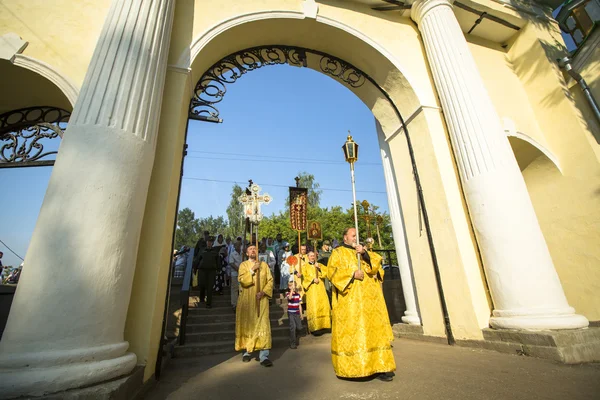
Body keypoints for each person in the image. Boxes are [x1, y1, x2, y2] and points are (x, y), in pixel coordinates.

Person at [327, 227, 396, 382]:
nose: (355, 238)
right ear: (345, 238)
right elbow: (331, 273)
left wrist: (364, 254)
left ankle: (381, 366)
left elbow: (376, 268)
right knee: (355, 334)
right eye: (353, 235)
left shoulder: (363, 252)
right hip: (350, 306)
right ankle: (356, 368)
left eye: (357, 236)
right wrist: (351, 274)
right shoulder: (337, 253)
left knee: (375, 334)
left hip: (370, 304)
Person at [235, 244, 273, 367]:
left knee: (263, 325)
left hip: (261, 300)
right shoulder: (243, 265)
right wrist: (252, 270)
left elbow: (270, 280)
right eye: (250, 249)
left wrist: (263, 292)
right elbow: (242, 280)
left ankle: (264, 355)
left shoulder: (264, 265)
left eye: (254, 249)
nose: (253, 250)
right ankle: (247, 351)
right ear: (246, 253)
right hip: (247, 300)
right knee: (248, 324)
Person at [302, 251, 331, 335]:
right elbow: (304, 277)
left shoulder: (319, 265)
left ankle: (325, 325)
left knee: (323, 305)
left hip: (321, 288)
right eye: (310, 256)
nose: (312, 257)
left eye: (313, 256)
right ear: (308, 257)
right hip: (312, 289)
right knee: (314, 306)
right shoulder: (305, 266)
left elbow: (326, 273)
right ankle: (315, 328)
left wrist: (319, 268)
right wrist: (312, 279)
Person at [197, 236, 221, 308]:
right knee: (202, 284)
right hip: (202, 270)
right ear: (206, 242)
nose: (209, 243)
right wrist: (194, 268)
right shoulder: (202, 250)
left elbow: (218, 261)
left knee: (210, 286)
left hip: (212, 271)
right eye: (208, 242)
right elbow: (198, 259)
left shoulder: (215, 251)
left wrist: (218, 269)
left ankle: (208, 303)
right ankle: (201, 298)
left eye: (211, 242)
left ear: (212, 243)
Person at [286, 277, 304, 349]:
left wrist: (301, 314)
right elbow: (289, 298)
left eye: (294, 286)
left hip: (297, 312)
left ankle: (295, 335)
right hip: (291, 313)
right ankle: (293, 343)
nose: (293, 287)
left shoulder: (298, 295)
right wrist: (291, 291)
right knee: (293, 327)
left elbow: (299, 305)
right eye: (291, 286)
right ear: (289, 287)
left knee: (299, 327)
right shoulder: (288, 293)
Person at [228, 242, 242, 311]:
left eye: (239, 245)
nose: (238, 246)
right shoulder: (232, 254)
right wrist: (238, 269)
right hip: (235, 273)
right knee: (234, 289)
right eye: (237, 245)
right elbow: (231, 263)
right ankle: (234, 304)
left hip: (243, 274)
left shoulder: (243, 254)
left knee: (242, 289)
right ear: (234, 246)